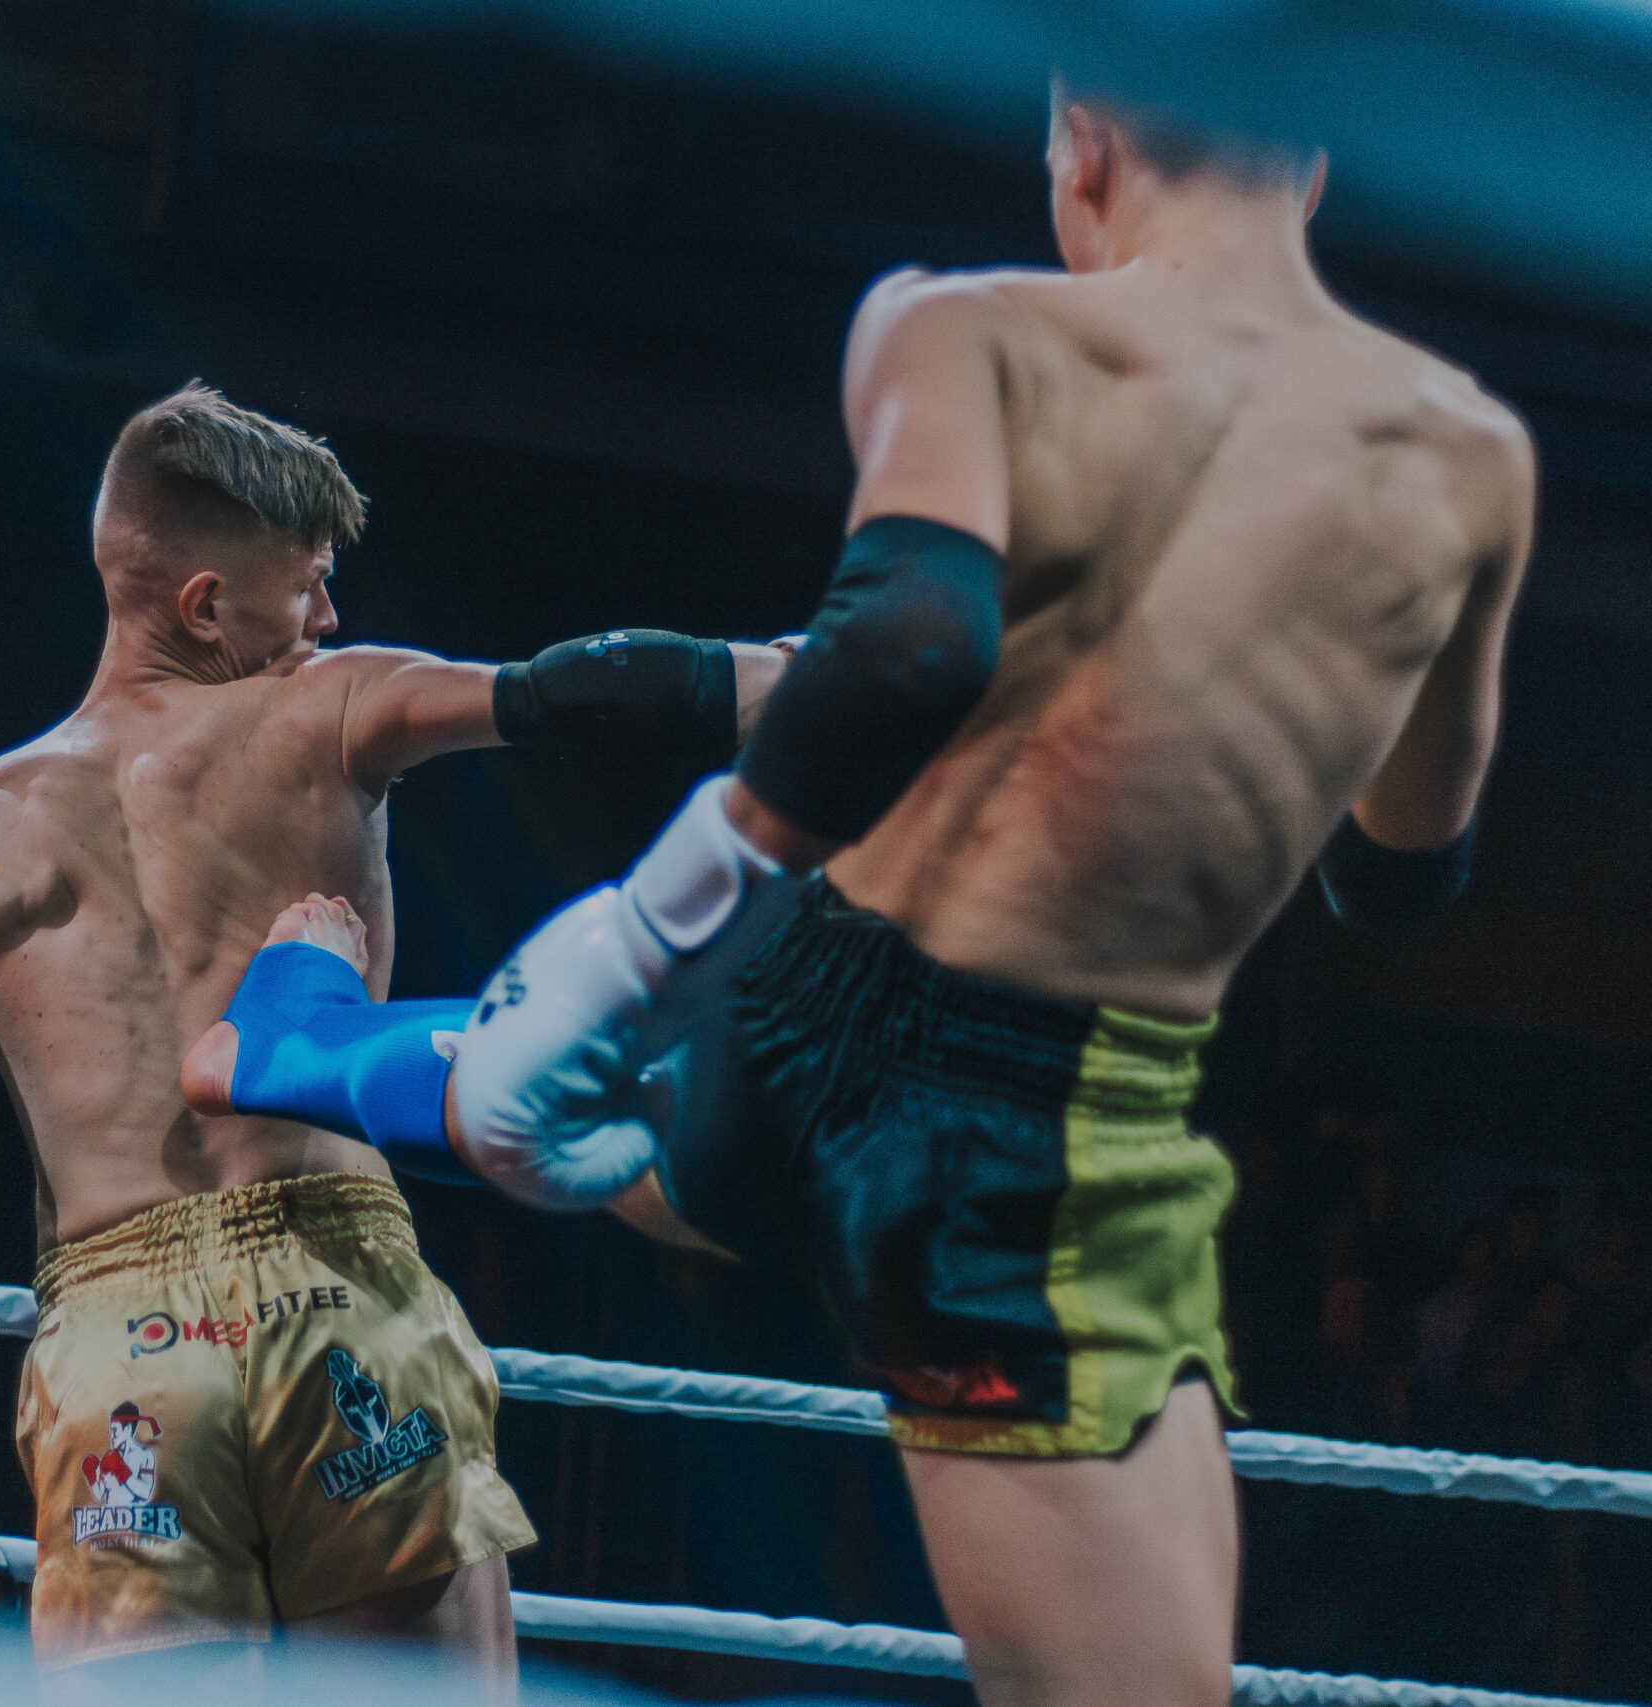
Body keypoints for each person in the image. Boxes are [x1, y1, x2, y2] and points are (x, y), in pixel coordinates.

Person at [185, 83, 1534, 1707]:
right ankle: (318, 1045)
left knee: (607, 1122)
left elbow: (911, 640)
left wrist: (643, 940)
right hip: (1012, 1134)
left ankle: (289, 1046)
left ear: (1085, 138)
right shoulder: (1464, 462)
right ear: (1314, 167)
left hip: (797, 992)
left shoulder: (964, 329)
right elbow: (1398, 874)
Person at [0, 382, 790, 1682]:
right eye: (310, 585)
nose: (328, 617)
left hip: (120, 1353)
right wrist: (851, 675)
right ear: (206, 604)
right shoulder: (328, 706)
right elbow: (575, 692)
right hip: (339, 1297)